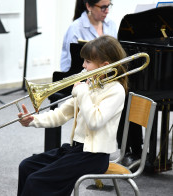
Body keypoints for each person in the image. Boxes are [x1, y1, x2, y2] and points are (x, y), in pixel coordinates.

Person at [17, 35, 128, 196]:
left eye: (88, 62)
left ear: (105, 66)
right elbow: (62, 114)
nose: (83, 66)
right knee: (27, 166)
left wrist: (82, 92)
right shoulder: (91, 84)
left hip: (94, 156)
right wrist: (33, 120)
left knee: (37, 180)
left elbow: (95, 122)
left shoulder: (115, 91)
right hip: (77, 150)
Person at [60, 0, 117, 72]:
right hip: (81, 76)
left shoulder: (111, 25)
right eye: (103, 7)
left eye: (108, 6)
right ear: (89, 6)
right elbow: (71, 62)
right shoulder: (75, 28)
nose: (107, 11)